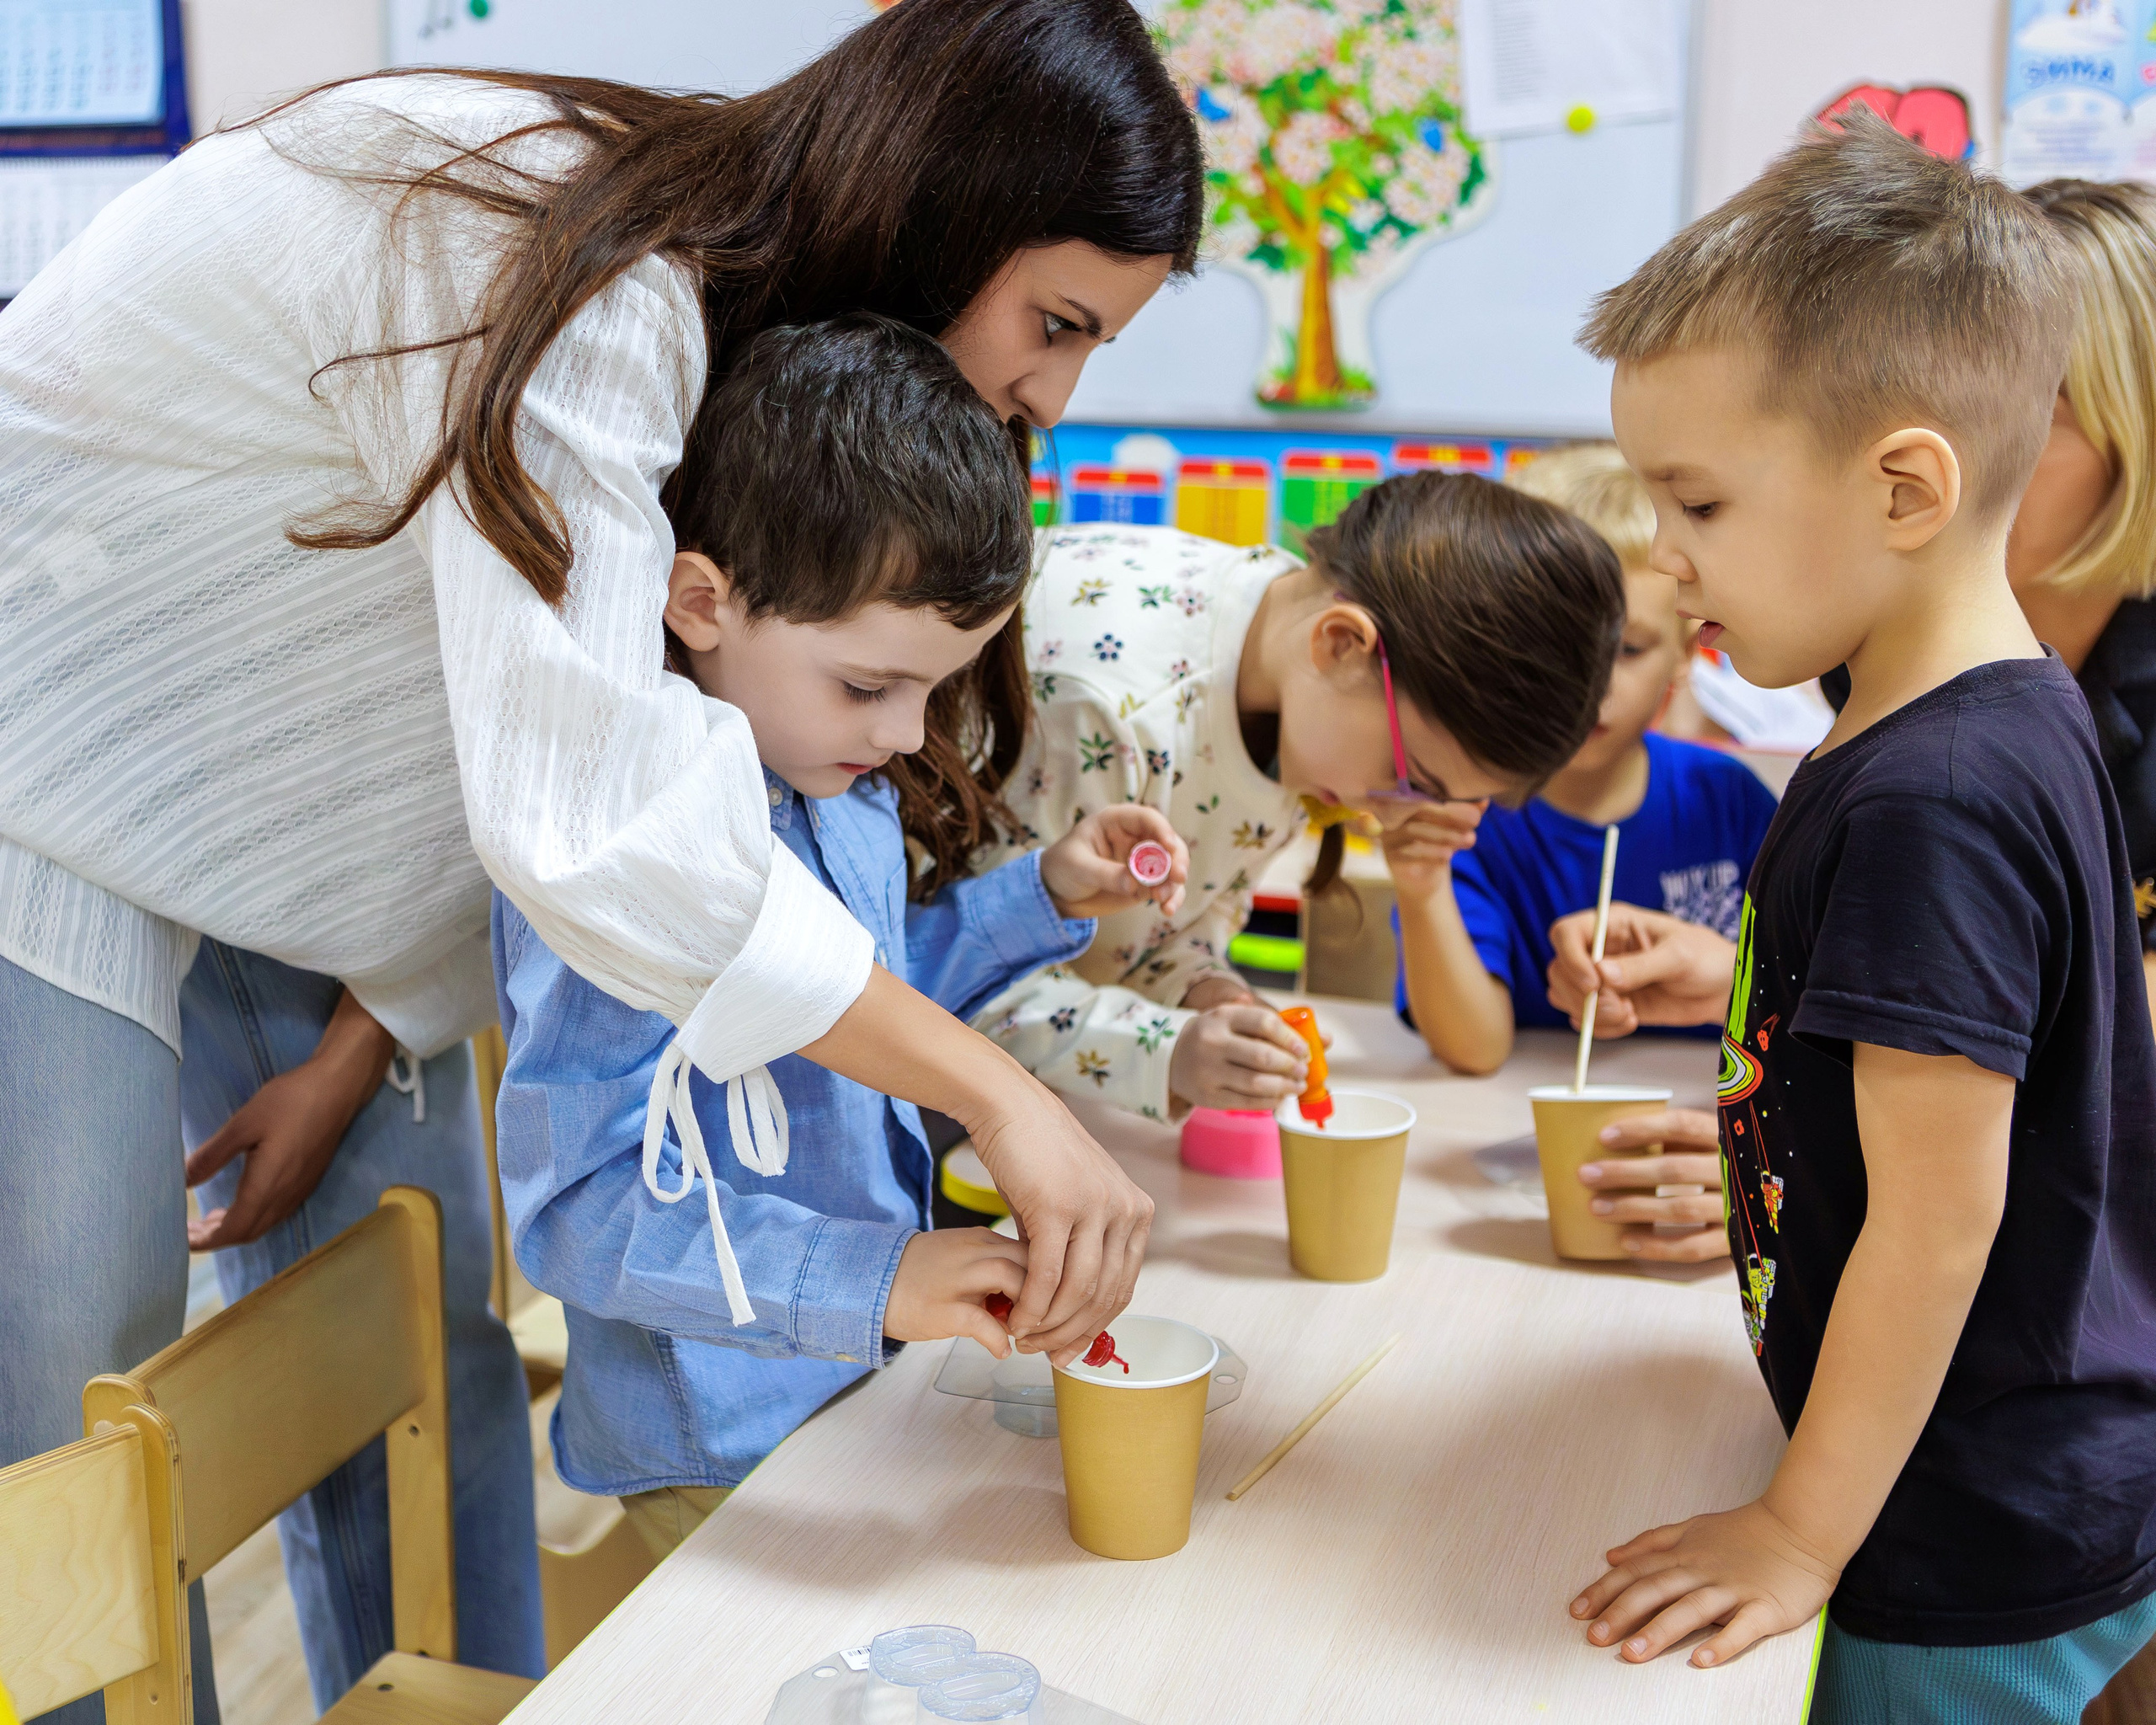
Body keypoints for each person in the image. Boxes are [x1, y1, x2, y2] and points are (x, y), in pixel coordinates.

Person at [0, 5, 1198, 1715]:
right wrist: (998, 1102)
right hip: (43, 755)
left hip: (289, 833)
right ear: (938, 207)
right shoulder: (596, 275)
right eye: (1053, 322)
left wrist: (361, 1034)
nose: (1044, 394)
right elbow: (592, 815)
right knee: (70, 1419)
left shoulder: (749, 415)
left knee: (424, 1347)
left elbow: (517, 754)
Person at [1562, 112, 2156, 1720]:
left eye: (1699, 506)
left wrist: (1797, 1530)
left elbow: (1939, 1218)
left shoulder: (1934, 798)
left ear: (1905, 487)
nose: (1673, 565)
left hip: (1954, 1532)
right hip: (1969, 1466)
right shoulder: (1967, 713)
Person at [494, 317, 1182, 1558]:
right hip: (719, 1433)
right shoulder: (607, 862)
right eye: (871, 686)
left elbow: (875, 1004)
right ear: (701, 603)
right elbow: (578, 1209)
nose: (912, 735)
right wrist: (879, 1278)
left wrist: (1040, 897)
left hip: (857, 1381)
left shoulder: (840, 785)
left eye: (936, 687)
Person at [974, 478, 1626, 1122]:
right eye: (1409, 780)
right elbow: (954, 972)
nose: (1388, 815)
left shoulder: (1293, 677)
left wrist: (1207, 995)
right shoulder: (1104, 705)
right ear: (1342, 644)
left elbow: (1157, 926)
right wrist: (1163, 1053)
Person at [1385, 443, 1776, 1081]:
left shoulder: (1729, 801)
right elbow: (1473, 1050)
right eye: (1556, 647)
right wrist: (1420, 886)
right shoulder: (1468, 813)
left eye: (1627, 649)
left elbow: (1812, 1004)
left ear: (1685, 653)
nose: (1590, 685)